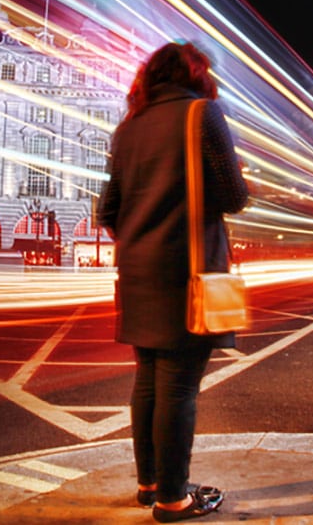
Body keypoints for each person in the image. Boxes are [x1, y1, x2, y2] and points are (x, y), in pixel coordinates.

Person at [97, 42, 249, 522]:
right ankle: (173, 498)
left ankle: (149, 485)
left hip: (138, 272)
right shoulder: (202, 115)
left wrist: (142, 236)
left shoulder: (128, 129)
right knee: (179, 386)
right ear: (195, 74)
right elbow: (232, 195)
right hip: (187, 270)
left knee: (148, 379)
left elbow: (108, 210)